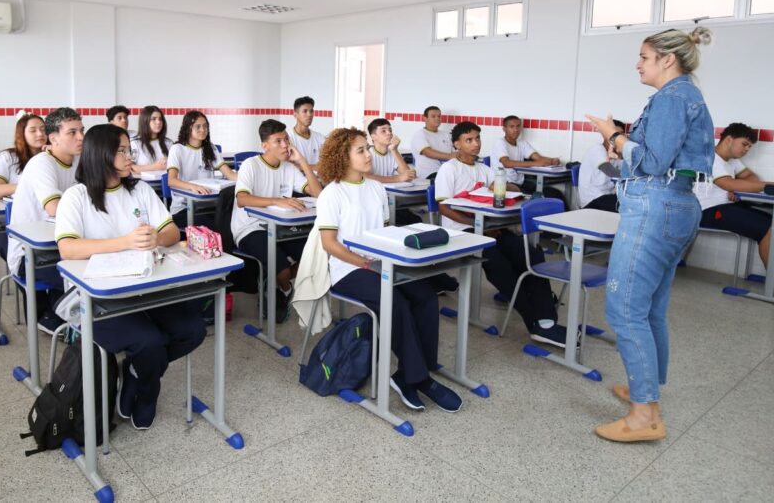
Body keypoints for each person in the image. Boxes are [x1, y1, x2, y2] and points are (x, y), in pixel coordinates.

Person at [587, 26, 715, 443]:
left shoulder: (672, 98)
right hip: (673, 205)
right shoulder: (685, 96)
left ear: (667, 59)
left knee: (624, 309)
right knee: (651, 307)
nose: (638, 64)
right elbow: (655, 161)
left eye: (644, 57)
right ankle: (647, 389)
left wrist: (614, 134)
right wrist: (620, 150)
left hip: (654, 208)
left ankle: (645, 415)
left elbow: (655, 163)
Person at [56, 124, 201, 430]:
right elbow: (68, 248)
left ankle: (136, 372)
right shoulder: (76, 196)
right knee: (150, 342)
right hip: (96, 298)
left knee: (193, 330)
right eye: (121, 151)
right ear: (100, 154)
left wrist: (156, 239)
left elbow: (171, 231)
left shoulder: (140, 189)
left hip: (144, 287)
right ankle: (148, 392)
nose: (129, 156)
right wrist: (125, 242)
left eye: (128, 150)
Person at [317, 127, 462, 412]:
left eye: (367, 149)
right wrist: (362, 262)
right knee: (395, 302)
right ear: (343, 157)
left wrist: (388, 259)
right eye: (361, 150)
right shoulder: (332, 194)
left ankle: (414, 370)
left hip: (381, 262)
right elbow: (329, 244)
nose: (368, 155)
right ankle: (419, 379)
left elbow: (383, 233)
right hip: (348, 269)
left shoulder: (376, 188)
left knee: (425, 296)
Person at [435, 121, 569, 347]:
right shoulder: (449, 169)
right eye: (469, 140)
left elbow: (511, 189)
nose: (476, 143)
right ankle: (533, 320)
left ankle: (547, 319)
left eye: (478, 138)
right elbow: (444, 208)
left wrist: (504, 186)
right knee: (497, 262)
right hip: (461, 230)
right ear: (457, 144)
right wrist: (475, 224)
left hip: (489, 228)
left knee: (531, 252)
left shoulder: (484, 169)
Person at [695, 122, 774, 301]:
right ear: (729, 140)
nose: (747, 149)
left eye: (749, 147)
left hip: (729, 208)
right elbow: (728, 183)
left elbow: (749, 177)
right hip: (709, 211)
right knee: (770, 228)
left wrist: (738, 187)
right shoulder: (710, 158)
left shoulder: (732, 161)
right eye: (744, 144)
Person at [231, 119, 323, 321]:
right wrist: (277, 201)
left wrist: (302, 162)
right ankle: (285, 287)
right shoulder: (251, 165)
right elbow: (242, 199)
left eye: (286, 140)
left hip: (280, 227)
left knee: (315, 253)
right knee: (281, 265)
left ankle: (274, 283)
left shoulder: (288, 168)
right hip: (250, 228)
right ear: (265, 145)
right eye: (278, 141)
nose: (285, 145)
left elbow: (318, 194)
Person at [8, 107, 85, 333]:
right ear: (53, 138)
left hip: (62, 244)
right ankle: (57, 318)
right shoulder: (42, 163)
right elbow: (54, 208)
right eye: (72, 132)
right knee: (83, 275)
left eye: (82, 130)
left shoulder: (78, 161)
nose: (81, 137)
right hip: (32, 255)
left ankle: (71, 318)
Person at [166, 110, 238, 229]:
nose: (203, 130)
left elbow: (230, 174)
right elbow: (171, 181)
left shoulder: (210, 148)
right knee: (217, 226)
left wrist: (248, 179)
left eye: (205, 126)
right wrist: (192, 186)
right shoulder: (177, 149)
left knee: (233, 220)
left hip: (208, 206)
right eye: (198, 126)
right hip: (183, 209)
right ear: (188, 128)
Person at [490, 116, 567, 202]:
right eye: (512, 127)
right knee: (537, 197)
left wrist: (552, 160)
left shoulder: (522, 143)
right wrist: (536, 163)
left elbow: (538, 158)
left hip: (521, 182)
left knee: (554, 193)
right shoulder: (500, 143)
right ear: (504, 129)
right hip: (505, 183)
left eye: (518, 126)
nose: (516, 130)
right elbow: (506, 163)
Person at [0, 111, 46, 201]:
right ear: (22, 134)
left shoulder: (52, 155)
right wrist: (30, 187)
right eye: (33, 130)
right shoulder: (6, 157)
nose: (40, 134)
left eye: (43, 129)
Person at [577, 119, 626, 212]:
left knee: (631, 201)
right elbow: (608, 170)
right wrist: (631, 176)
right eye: (615, 134)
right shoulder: (597, 149)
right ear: (605, 135)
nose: (618, 138)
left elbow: (629, 168)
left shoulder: (615, 153)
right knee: (627, 206)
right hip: (592, 200)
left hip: (606, 196)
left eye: (621, 134)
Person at [409, 106, 454, 180]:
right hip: (428, 175)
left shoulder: (446, 135)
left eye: (439, 116)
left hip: (445, 173)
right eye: (433, 116)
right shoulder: (419, 134)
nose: (437, 118)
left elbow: (454, 153)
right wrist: (450, 156)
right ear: (425, 118)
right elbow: (428, 152)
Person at [132, 105, 173, 179]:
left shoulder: (169, 143)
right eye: (154, 119)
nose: (158, 122)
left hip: (166, 183)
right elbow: (131, 168)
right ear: (145, 121)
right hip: (143, 184)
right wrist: (155, 166)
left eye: (160, 119)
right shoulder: (135, 144)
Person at [289, 96, 327, 170]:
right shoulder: (288, 138)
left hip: (317, 177)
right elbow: (290, 167)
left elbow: (326, 165)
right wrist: (315, 167)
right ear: (295, 115)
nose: (309, 115)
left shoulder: (320, 138)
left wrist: (301, 167)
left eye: (311, 111)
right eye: (305, 111)